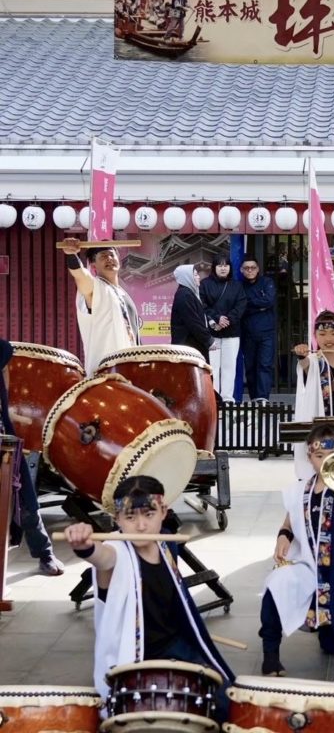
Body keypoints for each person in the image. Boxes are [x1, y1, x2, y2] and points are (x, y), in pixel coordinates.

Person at [62, 476, 234, 721]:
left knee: (228, 701)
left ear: (163, 512)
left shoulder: (165, 544)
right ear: (116, 519)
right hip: (134, 659)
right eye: (130, 517)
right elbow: (101, 556)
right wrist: (84, 546)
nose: (141, 525)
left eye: (149, 515)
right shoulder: (117, 552)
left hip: (175, 646)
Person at [258, 422, 334, 676]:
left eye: (332, 456)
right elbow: (288, 522)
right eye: (319, 456)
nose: (325, 461)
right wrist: (283, 537)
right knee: (276, 584)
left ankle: (330, 633)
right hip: (307, 567)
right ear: (310, 457)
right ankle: (270, 654)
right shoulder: (300, 490)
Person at [0, 339, 63, 576]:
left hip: (2, 434)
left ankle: (45, 553)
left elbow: (4, 370)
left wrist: (4, 408)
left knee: (24, 497)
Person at [61, 239, 141, 376]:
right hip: (105, 371)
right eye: (103, 256)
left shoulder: (123, 293)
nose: (109, 259)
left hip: (130, 368)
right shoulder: (97, 288)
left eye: (112, 255)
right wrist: (71, 256)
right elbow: (81, 276)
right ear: (93, 264)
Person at [293, 310, 334, 468]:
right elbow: (305, 366)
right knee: (323, 475)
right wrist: (302, 356)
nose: (328, 339)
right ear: (315, 335)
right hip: (321, 433)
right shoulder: (314, 362)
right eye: (322, 334)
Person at [200, 254, 247, 403]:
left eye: (226, 265)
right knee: (213, 367)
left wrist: (228, 320)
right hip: (212, 333)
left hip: (232, 333)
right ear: (214, 268)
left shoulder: (236, 286)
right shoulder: (205, 284)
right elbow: (202, 305)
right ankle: (214, 398)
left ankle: (227, 398)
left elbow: (241, 305)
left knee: (229, 367)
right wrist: (216, 319)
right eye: (219, 265)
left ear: (230, 268)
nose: (223, 268)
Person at [240, 255, 277, 404]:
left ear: (258, 269)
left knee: (265, 365)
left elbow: (269, 301)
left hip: (267, 332)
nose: (250, 270)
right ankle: (254, 397)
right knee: (250, 366)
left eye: (253, 268)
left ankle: (263, 397)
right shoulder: (239, 286)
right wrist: (259, 307)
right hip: (247, 332)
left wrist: (250, 304)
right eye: (246, 268)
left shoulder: (267, 282)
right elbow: (240, 307)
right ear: (242, 270)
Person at [170, 264, 212, 362]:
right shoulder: (184, 295)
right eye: (195, 275)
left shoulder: (189, 293)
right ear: (186, 277)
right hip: (188, 346)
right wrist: (208, 340)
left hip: (193, 345)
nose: (199, 277)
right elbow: (193, 322)